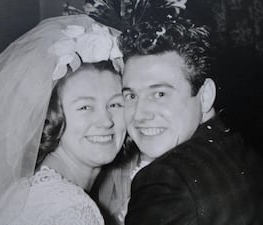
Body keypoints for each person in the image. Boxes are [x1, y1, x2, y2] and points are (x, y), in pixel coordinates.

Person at [89, 0, 263, 224]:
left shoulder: (165, 180)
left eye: (159, 94)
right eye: (131, 96)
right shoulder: (244, 151)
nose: (140, 114)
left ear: (206, 95)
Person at [0, 14, 126, 225]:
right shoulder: (72, 209)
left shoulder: (29, 193)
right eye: (85, 107)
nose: (106, 121)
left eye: (115, 104)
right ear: (51, 115)